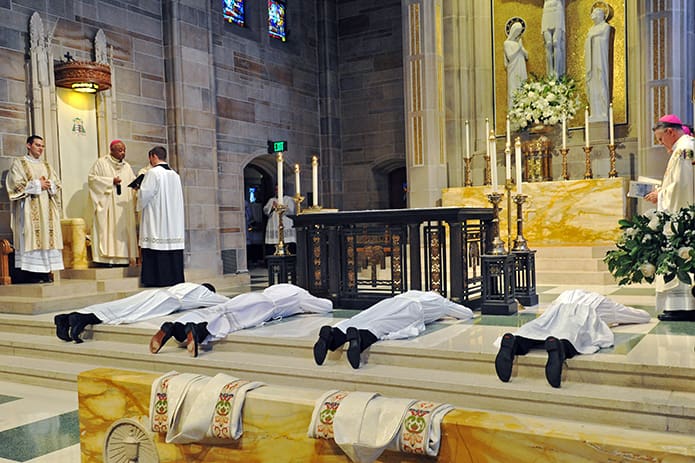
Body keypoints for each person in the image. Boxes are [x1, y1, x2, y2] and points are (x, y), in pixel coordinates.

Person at [494, 289, 650, 388]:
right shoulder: (604, 302)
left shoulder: (564, 295)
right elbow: (642, 317)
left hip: (555, 313)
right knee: (576, 336)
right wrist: (616, 320)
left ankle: (514, 341)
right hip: (584, 314)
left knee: (538, 328)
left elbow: (547, 313)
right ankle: (559, 347)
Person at [149, 283, 333, 357]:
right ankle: (198, 331)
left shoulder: (284, 285)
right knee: (232, 321)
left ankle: (175, 327)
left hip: (252, 296)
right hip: (266, 306)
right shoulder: (302, 295)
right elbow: (327, 306)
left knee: (219, 310)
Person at [313, 290, 474, 369]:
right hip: (412, 310)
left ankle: (331, 335)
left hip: (391, 301)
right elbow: (467, 314)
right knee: (381, 326)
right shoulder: (441, 301)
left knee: (362, 318)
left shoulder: (413, 291)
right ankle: (358, 340)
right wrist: (444, 312)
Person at [53, 282, 227, 343]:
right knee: (125, 314)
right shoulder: (205, 293)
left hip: (156, 294)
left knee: (119, 306)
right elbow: (225, 301)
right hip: (165, 302)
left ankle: (71, 318)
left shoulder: (186, 285)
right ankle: (79, 319)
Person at [645, 114, 695, 321]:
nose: (660, 143)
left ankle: (683, 308)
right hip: (680, 213)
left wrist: (661, 195)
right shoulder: (682, 148)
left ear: (670, 132)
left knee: (681, 256)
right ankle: (681, 306)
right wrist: (663, 192)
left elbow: (683, 188)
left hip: (681, 218)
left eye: (660, 138)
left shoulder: (684, 149)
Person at [5, 135, 64, 283]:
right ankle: (32, 274)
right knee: (31, 238)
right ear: (28, 145)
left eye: (42, 146)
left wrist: (50, 184)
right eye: (38, 145)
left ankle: (45, 273)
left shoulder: (47, 165)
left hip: (48, 209)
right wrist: (38, 185)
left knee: (47, 238)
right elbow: (14, 185)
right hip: (29, 210)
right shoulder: (19, 164)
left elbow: (57, 183)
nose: (41, 148)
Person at [137, 146, 185, 287]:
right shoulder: (175, 175)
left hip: (158, 219)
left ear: (153, 156)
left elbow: (145, 194)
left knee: (156, 244)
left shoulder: (153, 173)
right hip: (173, 221)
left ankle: (156, 279)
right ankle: (173, 279)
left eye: (150, 158)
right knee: (171, 248)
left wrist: (137, 191)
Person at [88, 139, 138, 267]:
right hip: (108, 205)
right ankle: (106, 260)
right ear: (112, 150)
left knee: (122, 231)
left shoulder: (127, 166)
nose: (123, 153)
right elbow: (92, 180)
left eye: (124, 150)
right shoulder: (101, 163)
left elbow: (132, 182)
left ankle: (123, 259)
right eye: (120, 150)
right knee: (107, 230)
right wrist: (110, 181)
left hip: (123, 207)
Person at [584, 6, 613, 122]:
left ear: (602, 15)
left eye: (597, 13)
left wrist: (592, 37)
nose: (594, 16)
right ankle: (595, 112)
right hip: (591, 62)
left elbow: (603, 40)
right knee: (592, 86)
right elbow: (588, 40)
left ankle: (603, 112)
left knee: (601, 83)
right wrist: (591, 37)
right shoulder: (591, 29)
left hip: (600, 60)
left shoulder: (605, 27)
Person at [263, 186, 296, 255]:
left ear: (283, 190)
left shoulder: (289, 199)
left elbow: (291, 211)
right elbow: (266, 211)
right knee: (273, 246)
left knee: (289, 245)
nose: (277, 191)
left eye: (279, 189)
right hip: (274, 224)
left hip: (286, 224)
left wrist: (281, 207)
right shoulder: (272, 200)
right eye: (276, 189)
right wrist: (272, 207)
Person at [504, 20, 528, 108]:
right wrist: (519, 47)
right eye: (516, 31)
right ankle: (512, 114)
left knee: (521, 89)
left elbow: (526, 56)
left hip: (521, 69)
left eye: (519, 32)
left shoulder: (518, 44)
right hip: (513, 70)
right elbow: (510, 56)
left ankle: (521, 112)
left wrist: (521, 48)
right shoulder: (507, 43)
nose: (517, 33)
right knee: (513, 90)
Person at [542, 0, 566, 77]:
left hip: (557, 11)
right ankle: (550, 72)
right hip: (547, 11)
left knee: (556, 42)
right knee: (548, 44)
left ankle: (557, 71)